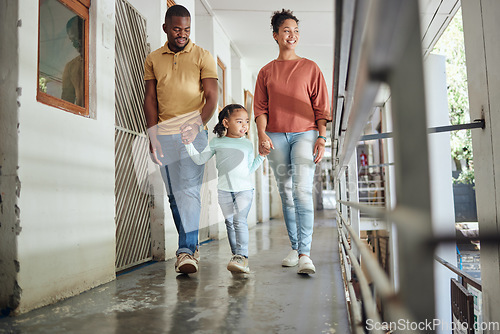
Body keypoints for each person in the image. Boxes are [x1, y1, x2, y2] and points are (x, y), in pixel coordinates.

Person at [254, 9, 331, 275]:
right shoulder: (266, 72)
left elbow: (321, 107)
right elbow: (260, 108)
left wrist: (322, 137)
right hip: (275, 135)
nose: (292, 35)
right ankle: (296, 247)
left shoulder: (310, 68)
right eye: (287, 30)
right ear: (275, 35)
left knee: (301, 190)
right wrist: (262, 135)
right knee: (285, 192)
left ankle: (306, 254)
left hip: (305, 133)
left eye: (296, 31)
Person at [143, 5, 218, 274]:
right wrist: (152, 136)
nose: (182, 34)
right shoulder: (153, 59)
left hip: (193, 135)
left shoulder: (203, 56)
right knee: (175, 196)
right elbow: (150, 99)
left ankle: (186, 250)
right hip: (164, 134)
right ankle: (191, 247)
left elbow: (211, 97)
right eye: (177, 29)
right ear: (165, 28)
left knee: (187, 191)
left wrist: (197, 125)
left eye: (186, 29)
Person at [185, 104, 267, 274]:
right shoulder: (216, 142)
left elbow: (249, 169)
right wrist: (188, 144)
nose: (245, 125)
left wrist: (262, 157)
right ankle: (235, 255)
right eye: (239, 121)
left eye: (246, 121)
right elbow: (200, 160)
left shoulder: (247, 144)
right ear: (226, 123)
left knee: (239, 221)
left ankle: (242, 256)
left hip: (244, 189)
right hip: (224, 190)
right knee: (229, 222)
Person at [61, 16, 84, 106]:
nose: (76, 44)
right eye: (72, 41)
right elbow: (66, 103)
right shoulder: (70, 67)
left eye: (79, 37)